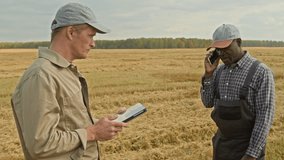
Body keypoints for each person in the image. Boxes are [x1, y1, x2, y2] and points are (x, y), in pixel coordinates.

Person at [11, 3, 127, 160]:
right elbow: (41, 144)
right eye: (91, 35)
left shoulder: (64, 71)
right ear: (71, 32)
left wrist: (103, 124)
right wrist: (92, 132)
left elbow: (68, 123)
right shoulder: (41, 75)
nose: (93, 43)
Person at [200, 24, 275, 160]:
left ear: (239, 42)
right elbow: (207, 102)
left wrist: (251, 155)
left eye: (226, 48)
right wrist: (208, 75)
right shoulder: (218, 72)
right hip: (222, 147)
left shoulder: (260, 72)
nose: (222, 53)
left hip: (248, 149)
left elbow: (264, 118)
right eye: (218, 49)